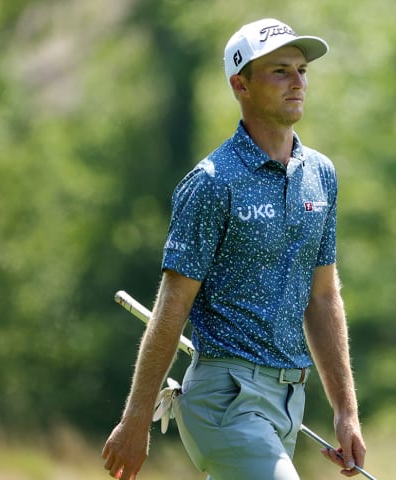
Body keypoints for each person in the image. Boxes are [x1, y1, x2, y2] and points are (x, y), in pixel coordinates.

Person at [102, 18, 367, 480]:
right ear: (240, 85)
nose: (298, 82)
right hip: (224, 400)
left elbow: (323, 296)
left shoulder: (320, 175)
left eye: (302, 70)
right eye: (280, 71)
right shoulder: (211, 183)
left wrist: (346, 410)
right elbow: (173, 304)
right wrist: (136, 418)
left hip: (288, 401)